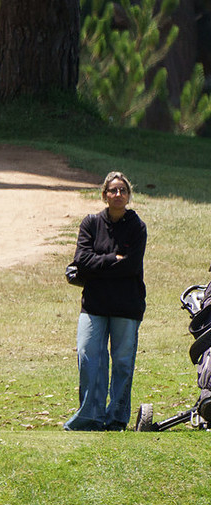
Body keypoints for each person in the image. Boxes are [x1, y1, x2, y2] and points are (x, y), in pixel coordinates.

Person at [64, 170, 147, 431]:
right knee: (88, 358)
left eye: (123, 190)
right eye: (113, 190)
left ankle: (116, 419)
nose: (118, 194)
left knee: (122, 363)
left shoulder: (137, 227)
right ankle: (90, 417)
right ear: (104, 195)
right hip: (94, 305)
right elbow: (81, 260)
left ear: (129, 195)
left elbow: (131, 266)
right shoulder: (91, 223)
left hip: (127, 306)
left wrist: (98, 266)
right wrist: (113, 259)